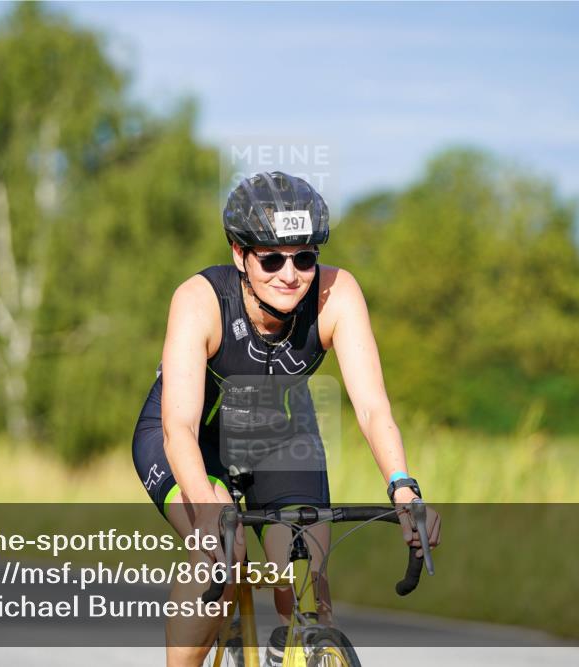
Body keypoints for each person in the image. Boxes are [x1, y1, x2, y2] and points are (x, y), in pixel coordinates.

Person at [132, 171, 440, 666]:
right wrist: (210, 512)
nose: (290, 274)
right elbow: (179, 429)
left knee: (306, 588)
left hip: (280, 438)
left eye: (305, 257)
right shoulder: (200, 301)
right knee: (223, 559)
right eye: (271, 258)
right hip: (191, 443)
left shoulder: (337, 294)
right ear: (239, 253)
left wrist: (403, 487)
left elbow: (372, 406)